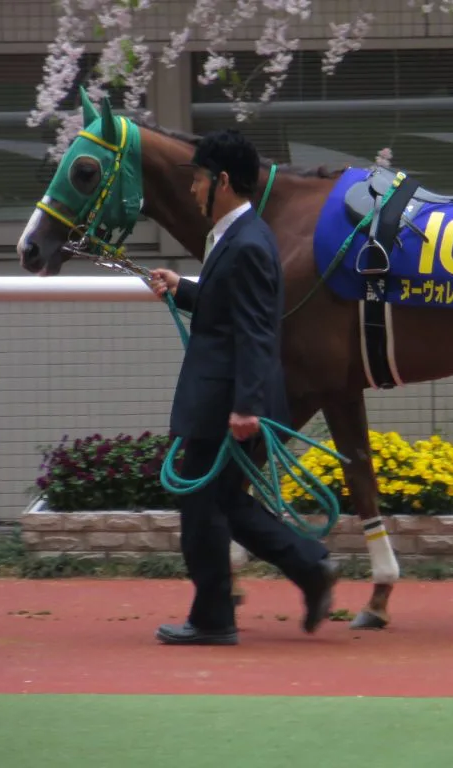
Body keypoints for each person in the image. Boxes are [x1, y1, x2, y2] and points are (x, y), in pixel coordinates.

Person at [147, 128, 337, 646]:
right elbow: (227, 306)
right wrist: (181, 287)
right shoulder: (240, 236)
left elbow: (257, 329)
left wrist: (247, 406)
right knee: (226, 502)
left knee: (201, 507)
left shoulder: (246, 242)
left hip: (227, 399)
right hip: (228, 395)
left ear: (223, 182)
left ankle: (213, 617)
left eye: (200, 180)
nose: (193, 190)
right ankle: (310, 566)